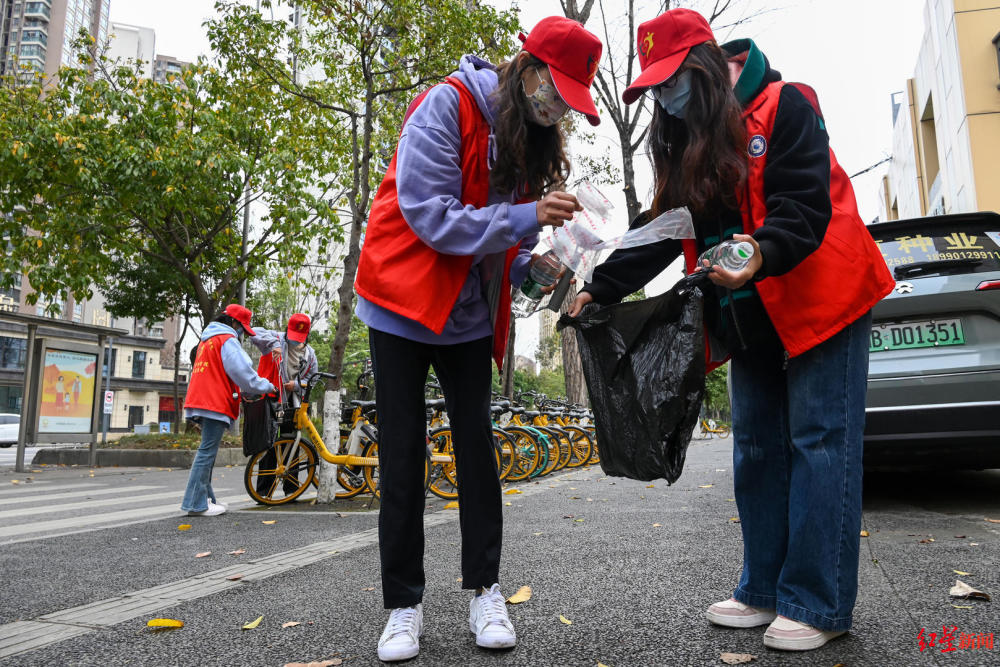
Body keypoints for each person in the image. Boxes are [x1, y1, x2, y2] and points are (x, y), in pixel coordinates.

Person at [569, 8, 893, 652]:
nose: (665, 96)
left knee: (818, 443)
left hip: (820, 298)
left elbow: (804, 209)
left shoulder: (784, 107)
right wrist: (595, 287)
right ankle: (765, 588)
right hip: (750, 316)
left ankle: (818, 601)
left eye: (673, 80)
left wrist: (758, 254)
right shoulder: (686, 144)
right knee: (755, 449)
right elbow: (662, 233)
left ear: (709, 68)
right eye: (655, 86)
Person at [353, 16, 602, 662]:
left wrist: (533, 264)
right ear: (528, 70)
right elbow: (430, 214)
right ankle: (403, 604)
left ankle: (485, 589)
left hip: (465, 316)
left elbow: (507, 243)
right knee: (403, 454)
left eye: (568, 106)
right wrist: (524, 218)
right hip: (402, 304)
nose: (556, 111)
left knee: (478, 454)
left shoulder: (528, 144)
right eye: (556, 94)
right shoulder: (446, 106)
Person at [181, 304, 276, 517]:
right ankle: (197, 504)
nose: (242, 333)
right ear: (234, 323)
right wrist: (268, 386)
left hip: (200, 399)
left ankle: (206, 499)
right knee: (206, 453)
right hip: (214, 401)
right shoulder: (227, 340)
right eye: (242, 328)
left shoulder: (208, 340)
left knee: (208, 453)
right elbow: (244, 374)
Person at [248, 313, 318, 499]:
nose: (296, 341)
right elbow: (253, 332)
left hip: (293, 405)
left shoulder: (310, 354)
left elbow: (314, 378)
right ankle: (264, 492)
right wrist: (274, 345)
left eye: (300, 338)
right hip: (271, 401)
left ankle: (291, 490)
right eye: (293, 336)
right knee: (269, 444)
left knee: (291, 445)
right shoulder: (276, 338)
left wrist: (296, 385)